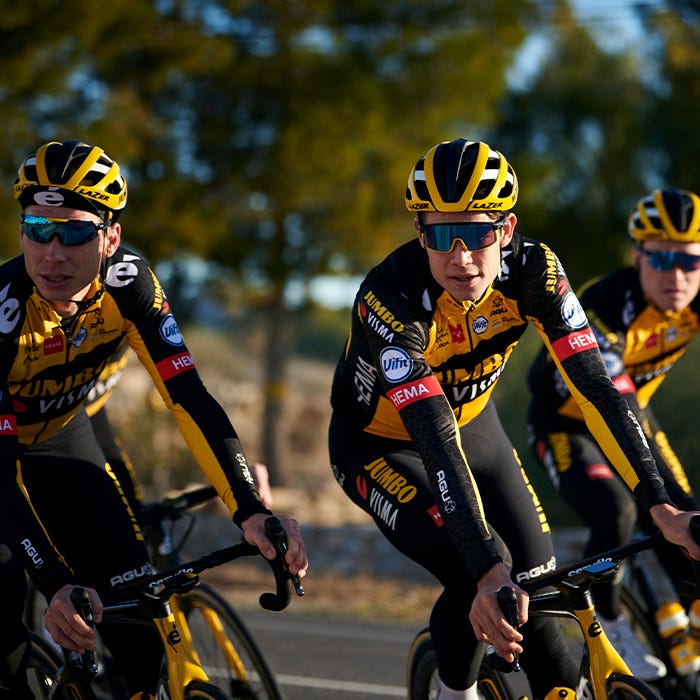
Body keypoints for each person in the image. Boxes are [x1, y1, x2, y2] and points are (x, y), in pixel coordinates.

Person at [327, 139, 700, 700]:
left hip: (477, 428)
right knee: (478, 569)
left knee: (543, 599)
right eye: (440, 236)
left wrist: (660, 503)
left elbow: (596, 388)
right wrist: (483, 565)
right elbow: (431, 433)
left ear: (505, 229)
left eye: (476, 234)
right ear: (419, 234)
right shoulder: (388, 296)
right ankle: (454, 692)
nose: (461, 258)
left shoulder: (536, 272)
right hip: (380, 446)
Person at [0, 139, 306, 698]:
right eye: (37, 230)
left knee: (141, 636)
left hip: (61, 439)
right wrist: (54, 581)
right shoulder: (3, 312)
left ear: (111, 236)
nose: (53, 254)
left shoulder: (129, 285)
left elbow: (188, 398)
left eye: (74, 232)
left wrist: (251, 509)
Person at [527, 187, 700, 678]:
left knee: (690, 519)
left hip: (638, 419)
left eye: (691, 261)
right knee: (617, 509)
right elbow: (612, 399)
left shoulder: (694, 294)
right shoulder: (603, 304)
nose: (677, 274)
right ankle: (608, 620)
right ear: (637, 255)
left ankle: (684, 633)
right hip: (568, 423)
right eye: (662, 258)